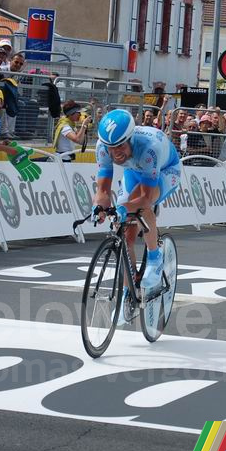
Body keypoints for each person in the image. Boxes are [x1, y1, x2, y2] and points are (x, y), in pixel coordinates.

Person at [91, 109, 182, 322]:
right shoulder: (102, 148)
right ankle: (128, 295)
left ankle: (155, 258)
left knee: (141, 208)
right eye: (111, 147)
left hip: (166, 170)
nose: (116, 153)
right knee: (125, 234)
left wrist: (123, 208)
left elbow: (145, 198)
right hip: (134, 171)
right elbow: (103, 189)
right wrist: (99, 207)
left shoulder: (149, 148)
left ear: (130, 138)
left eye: (120, 146)